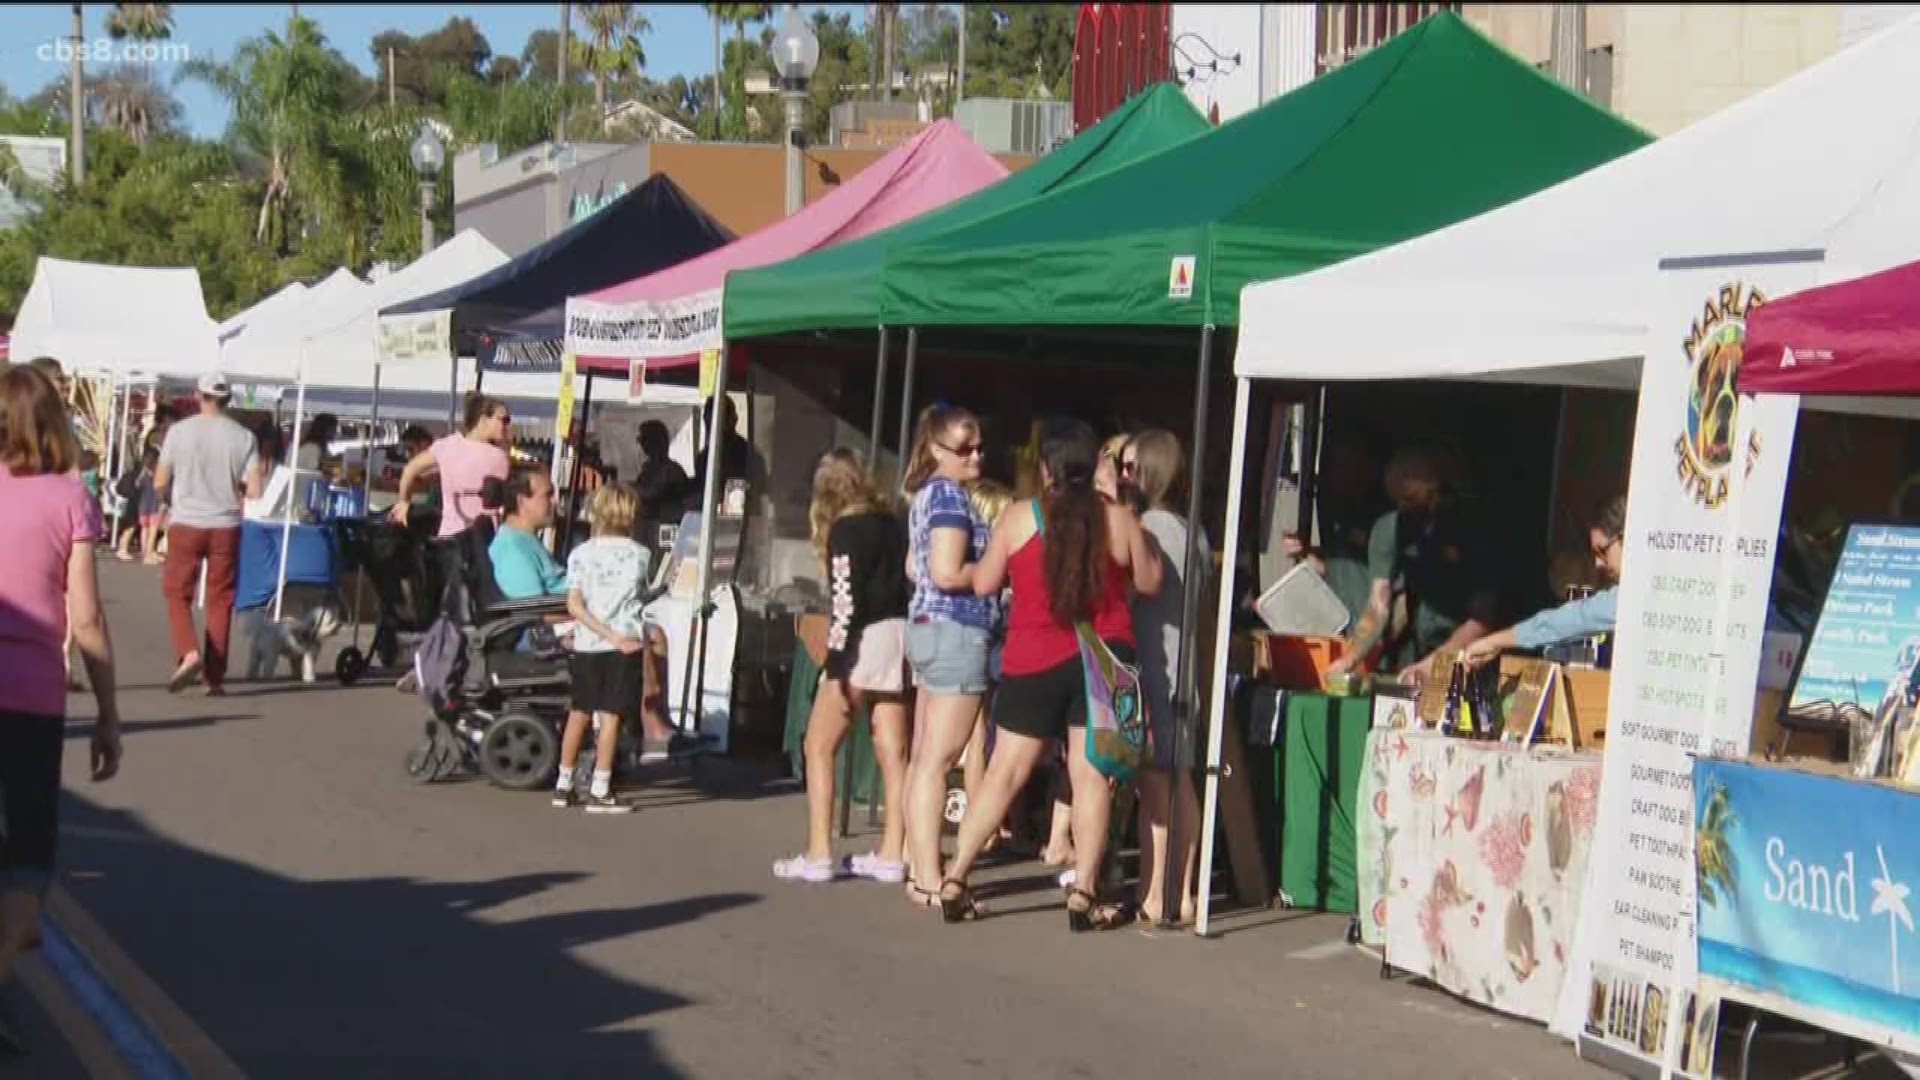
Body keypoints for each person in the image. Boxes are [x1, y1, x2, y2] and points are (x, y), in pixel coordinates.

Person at [936, 419, 1162, 930]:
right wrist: (1125, 513)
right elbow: (1150, 581)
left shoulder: (1019, 516)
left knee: (1004, 773)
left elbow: (986, 583)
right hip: (1104, 658)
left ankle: (956, 877)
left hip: (1034, 655)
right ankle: (1084, 891)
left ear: (1045, 469)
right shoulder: (1118, 519)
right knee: (1091, 776)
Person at [0, 365, 122, 1052]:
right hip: (29, 695)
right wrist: (108, 715)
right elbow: (88, 618)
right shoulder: (70, 498)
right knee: (27, 856)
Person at [773, 450, 913, 884]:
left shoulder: (845, 531)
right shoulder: (891, 524)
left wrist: (835, 669)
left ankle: (819, 852)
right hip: (898, 636)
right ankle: (893, 851)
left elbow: (845, 603)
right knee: (894, 751)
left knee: (818, 745)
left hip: (862, 642)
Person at [899, 403, 999, 909]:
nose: (975, 455)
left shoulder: (926, 496)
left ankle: (921, 867)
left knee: (924, 758)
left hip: (927, 626)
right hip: (956, 630)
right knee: (937, 761)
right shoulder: (949, 498)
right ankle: (931, 878)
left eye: (979, 445)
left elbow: (916, 569)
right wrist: (988, 574)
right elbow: (942, 571)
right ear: (938, 448)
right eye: (964, 448)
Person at [1121, 429, 1206, 926]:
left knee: (1155, 781)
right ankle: (1185, 890)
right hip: (1184, 662)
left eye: (1132, 468)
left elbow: (1136, 593)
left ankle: (1156, 893)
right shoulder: (1193, 529)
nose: (1126, 476)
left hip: (1156, 659)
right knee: (1180, 779)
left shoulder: (1149, 526)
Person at [1328, 445, 1499, 683]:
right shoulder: (1389, 529)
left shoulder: (1477, 533)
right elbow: (1378, 604)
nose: (1405, 509)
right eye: (1398, 500)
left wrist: (1434, 664)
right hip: (1419, 648)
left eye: (1413, 499)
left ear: (1441, 492)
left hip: (1472, 655)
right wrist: (1349, 659)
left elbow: (1482, 619)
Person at [155, 372, 264, 696]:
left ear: (197, 396)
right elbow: (255, 489)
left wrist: (169, 500)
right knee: (220, 599)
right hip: (226, 524)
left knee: (177, 592)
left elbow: (160, 481)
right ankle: (214, 678)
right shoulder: (244, 437)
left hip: (187, 520)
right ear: (229, 400)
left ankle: (188, 652)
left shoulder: (178, 432)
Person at [553, 483, 655, 814]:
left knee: (579, 712)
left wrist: (599, 632)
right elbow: (644, 594)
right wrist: (616, 636)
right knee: (610, 716)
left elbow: (574, 604)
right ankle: (600, 787)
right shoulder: (641, 555)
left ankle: (563, 783)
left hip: (587, 644)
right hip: (623, 644)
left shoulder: (579, 554)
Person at [1464, 495, 1626, 667]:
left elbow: (1575, 619)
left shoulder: (1632, 598)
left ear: (1626, 538)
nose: (1598, 563)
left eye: (1602, 551)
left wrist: (1493, 642)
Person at [392, 395, 512, 539]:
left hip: (450, 535)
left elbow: (410, 469)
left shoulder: (448, 445)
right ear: (484, 420)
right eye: (503, 420)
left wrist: (403, 501)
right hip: (484, 539)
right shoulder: (498, 456)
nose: (506, 426)